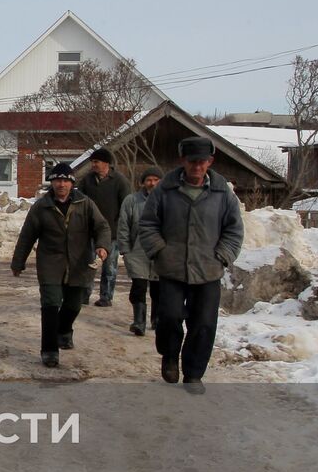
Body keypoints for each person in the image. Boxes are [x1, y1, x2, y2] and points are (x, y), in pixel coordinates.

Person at [138, 137, 244, 390]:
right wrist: (159, 251)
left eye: (202, 162)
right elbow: (148, 224)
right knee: (169, 317)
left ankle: (194, 373)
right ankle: (170, 355)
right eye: (192, 161)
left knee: (204, 323)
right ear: (183, 161)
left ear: (210, 162)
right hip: (172, 267)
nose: (197, 167)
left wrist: (222, 256)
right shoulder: (165, 190)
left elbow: (234, 230)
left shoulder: (222, 193)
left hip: (208, 269)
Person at [10, 162, 111, 368]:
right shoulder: (41, 206)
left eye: (65, 180)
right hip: (50, 263)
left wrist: (102, 246)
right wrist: (18, 261)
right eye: (57, 180)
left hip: (79, 263)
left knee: (73, 305)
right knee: (50, 305)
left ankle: (64, 330)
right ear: (52, 182)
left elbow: (102, 226)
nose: (61, 184)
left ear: (72, 183)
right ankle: (49, 350)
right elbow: (27, 235)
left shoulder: (85, 203)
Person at [78, 148, 131, 308]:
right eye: (92, 162)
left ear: (106, 163)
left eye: (96, 162)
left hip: (111, 233)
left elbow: (126, 206)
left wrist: (120, 227)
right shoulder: (87, 181)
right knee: (88, 264)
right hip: (90, 231)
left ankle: (106, 297)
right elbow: (79, 202)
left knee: (109, 267)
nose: (93, 165)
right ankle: (84, 295)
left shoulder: (120, 181)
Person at [115, 165, 163, 336]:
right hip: (137, 250)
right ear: (142, 183)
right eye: (149, 180)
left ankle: (157, 320)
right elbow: (123, 226)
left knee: (159, 288)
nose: (152, 183)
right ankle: (139, 321)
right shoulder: (132, 201)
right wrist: (125, 249)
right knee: (139, 287)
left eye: (156, 180)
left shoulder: (168, 200)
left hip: (160, 251)